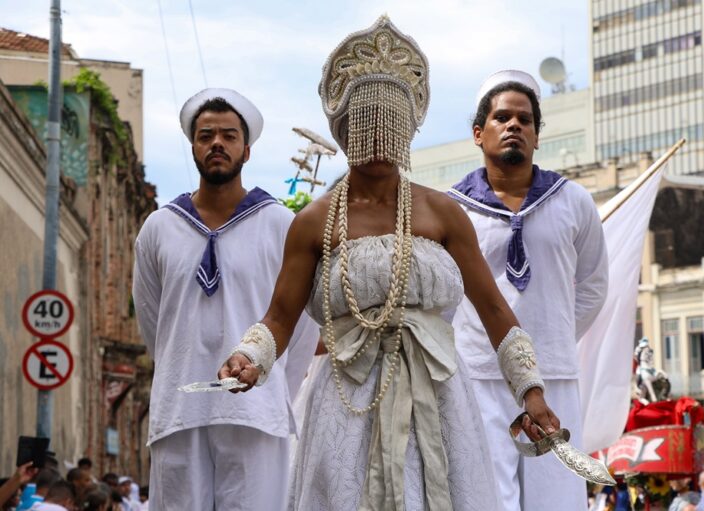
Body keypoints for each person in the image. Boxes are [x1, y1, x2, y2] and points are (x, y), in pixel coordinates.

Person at [219, 15, 559, 510]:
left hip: (439, 396)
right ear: (344, 128)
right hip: (345, 399)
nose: (379, 132)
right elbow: (279, 318)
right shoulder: (313, 222)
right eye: (367, 118)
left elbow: (496, 313)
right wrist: (250, 357)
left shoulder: (444, 212)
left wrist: (531, 392)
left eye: (390, 119)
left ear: (407, 128)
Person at [132, 86, 318, 510]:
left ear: (246, 151)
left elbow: (303, 325)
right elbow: (152, 321)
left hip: (256, 415)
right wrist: (181, 364)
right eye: (206, 135)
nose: (217, 143)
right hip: (180, 410)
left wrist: (272, 390)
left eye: (229, 135)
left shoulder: (281, 224)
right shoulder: (159, 228)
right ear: (193, 147)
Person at [447, 70, 609, 510]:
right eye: (502, 118)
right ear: (479, 134)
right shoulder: (452, 209)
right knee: (483, 498)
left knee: (557, 498)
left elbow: (594, 286)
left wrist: (543, 346)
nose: (514, 125)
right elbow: (442, 300)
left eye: (525, 119)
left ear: (538, 136)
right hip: (477, 374)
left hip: (553, 375)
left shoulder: (573, 200)